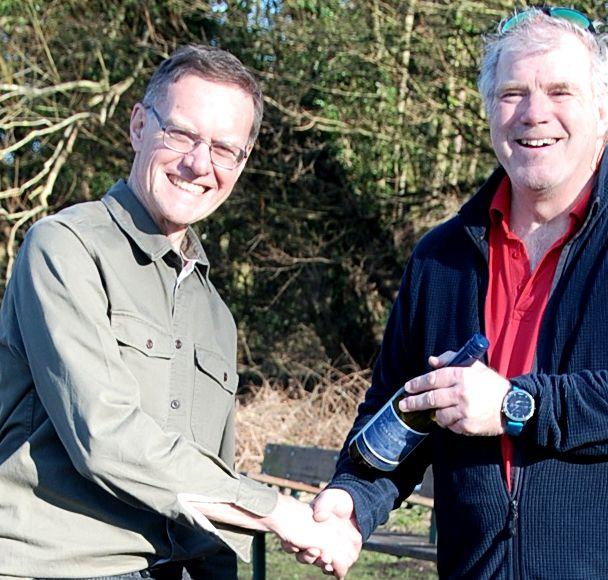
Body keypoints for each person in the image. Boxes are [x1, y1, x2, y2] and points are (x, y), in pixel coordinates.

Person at [297, 7, 608, 579]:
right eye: (513, 93)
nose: (535, 113)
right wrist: (354, 497)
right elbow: (401, 405)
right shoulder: (442, 258)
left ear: (603, 113)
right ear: (489, 113)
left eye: (561, 91)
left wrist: (517, 405)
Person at [0, 44, 359, 579]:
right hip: (60, 566)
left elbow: (206, 483)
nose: (199, 164)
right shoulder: (65, 248)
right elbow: (105, 436)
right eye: (182, 134)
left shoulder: (215, 312)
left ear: (242, 162)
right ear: (139, 126)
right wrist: (278, 510)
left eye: (224, 149)